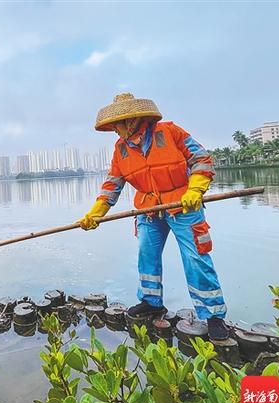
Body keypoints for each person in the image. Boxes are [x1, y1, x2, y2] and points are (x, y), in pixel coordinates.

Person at [78, 93, 229, 341]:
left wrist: (196, 188)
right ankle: (151, 302)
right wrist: (95, 213)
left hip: (184, 205)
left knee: (195, 257)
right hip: (148, 209)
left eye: (117, 124)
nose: (115, 130)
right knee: (146, 254)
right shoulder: (121, 149)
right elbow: (112, 184)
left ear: (132, 121)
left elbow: (201, 158)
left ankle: (213, 315)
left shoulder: (170, 132)